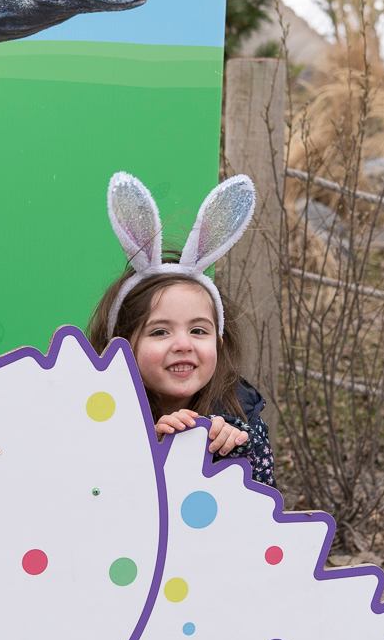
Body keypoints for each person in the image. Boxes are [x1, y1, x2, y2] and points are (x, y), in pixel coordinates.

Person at [86, 172, 275, 487]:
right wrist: (153, 448)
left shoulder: (238, 418)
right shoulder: (95, 416)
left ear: (219, 341)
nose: (183, 344)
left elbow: (261, 514)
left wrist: (231, 452)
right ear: (121, 347)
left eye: (198, 331)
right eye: (160, 332)